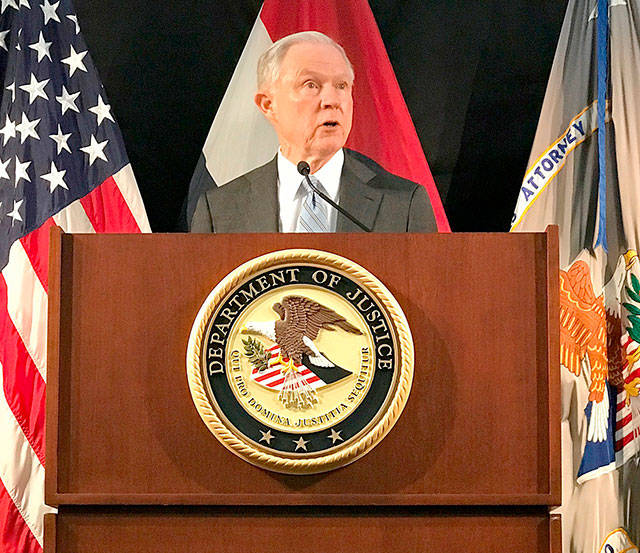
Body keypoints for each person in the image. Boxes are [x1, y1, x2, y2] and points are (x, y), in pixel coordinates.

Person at [190, 31, 437, 233]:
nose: (332, 100)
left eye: (341, 85)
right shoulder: (219, 210)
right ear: (268, 105)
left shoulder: (404, 204)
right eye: (311, 85)